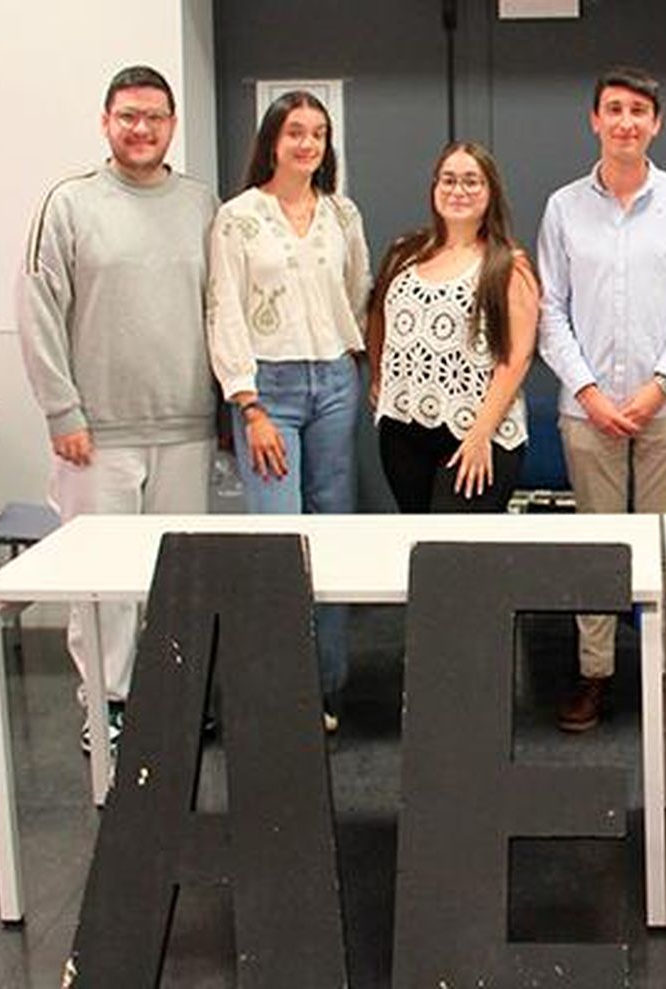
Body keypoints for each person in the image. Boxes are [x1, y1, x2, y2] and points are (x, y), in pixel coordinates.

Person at [17, 65, 217, 754]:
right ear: (106, 122)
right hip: (95, 434)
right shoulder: (69, 204)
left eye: (155, 117)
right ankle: (105, 705)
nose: (142, 128)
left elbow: (219, 311)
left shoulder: (200, 205)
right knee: (102, 585)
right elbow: (39, 310)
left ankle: (170, 696)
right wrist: (61, 411)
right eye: (128, 115)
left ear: (172, 125)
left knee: (177, 575)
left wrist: (224, 407)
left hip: (186, 427)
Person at [537, 66, 666, 732]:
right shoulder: (563, 207)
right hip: (587, 412)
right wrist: (587, 390)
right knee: (600, 546)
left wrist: (657, 385)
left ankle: (665, 670)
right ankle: (594, 674)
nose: (625, 122)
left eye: (638, 111)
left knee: (664, 545)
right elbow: (549, 309)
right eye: (613, 109)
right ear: (595, 120)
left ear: (656, 123)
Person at [206, 90, 371, 732]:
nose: (307, 144)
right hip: (266, 392)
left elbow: (355, 293)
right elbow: (223, 309)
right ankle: (283, 687)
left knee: (334, 530)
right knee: (279, 536)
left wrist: (353, 360)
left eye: (318, 134)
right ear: (272, 140)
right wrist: (247, 405)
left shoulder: (341, 214)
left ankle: (327, 685)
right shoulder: (238, 218)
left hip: (333, 381)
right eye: (295, 132)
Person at [366, 142, 538, 513]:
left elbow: (517, 357)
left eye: (472, 181)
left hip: (476, 433)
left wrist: (479, 437)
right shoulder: (405, 252)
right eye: (448, 180)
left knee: (454, 552)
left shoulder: (508, 264)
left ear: (490, 192)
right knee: (417, 540)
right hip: (403, 431)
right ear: (434, 187)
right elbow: (379, 314)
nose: (458, 190)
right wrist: (379, 377)